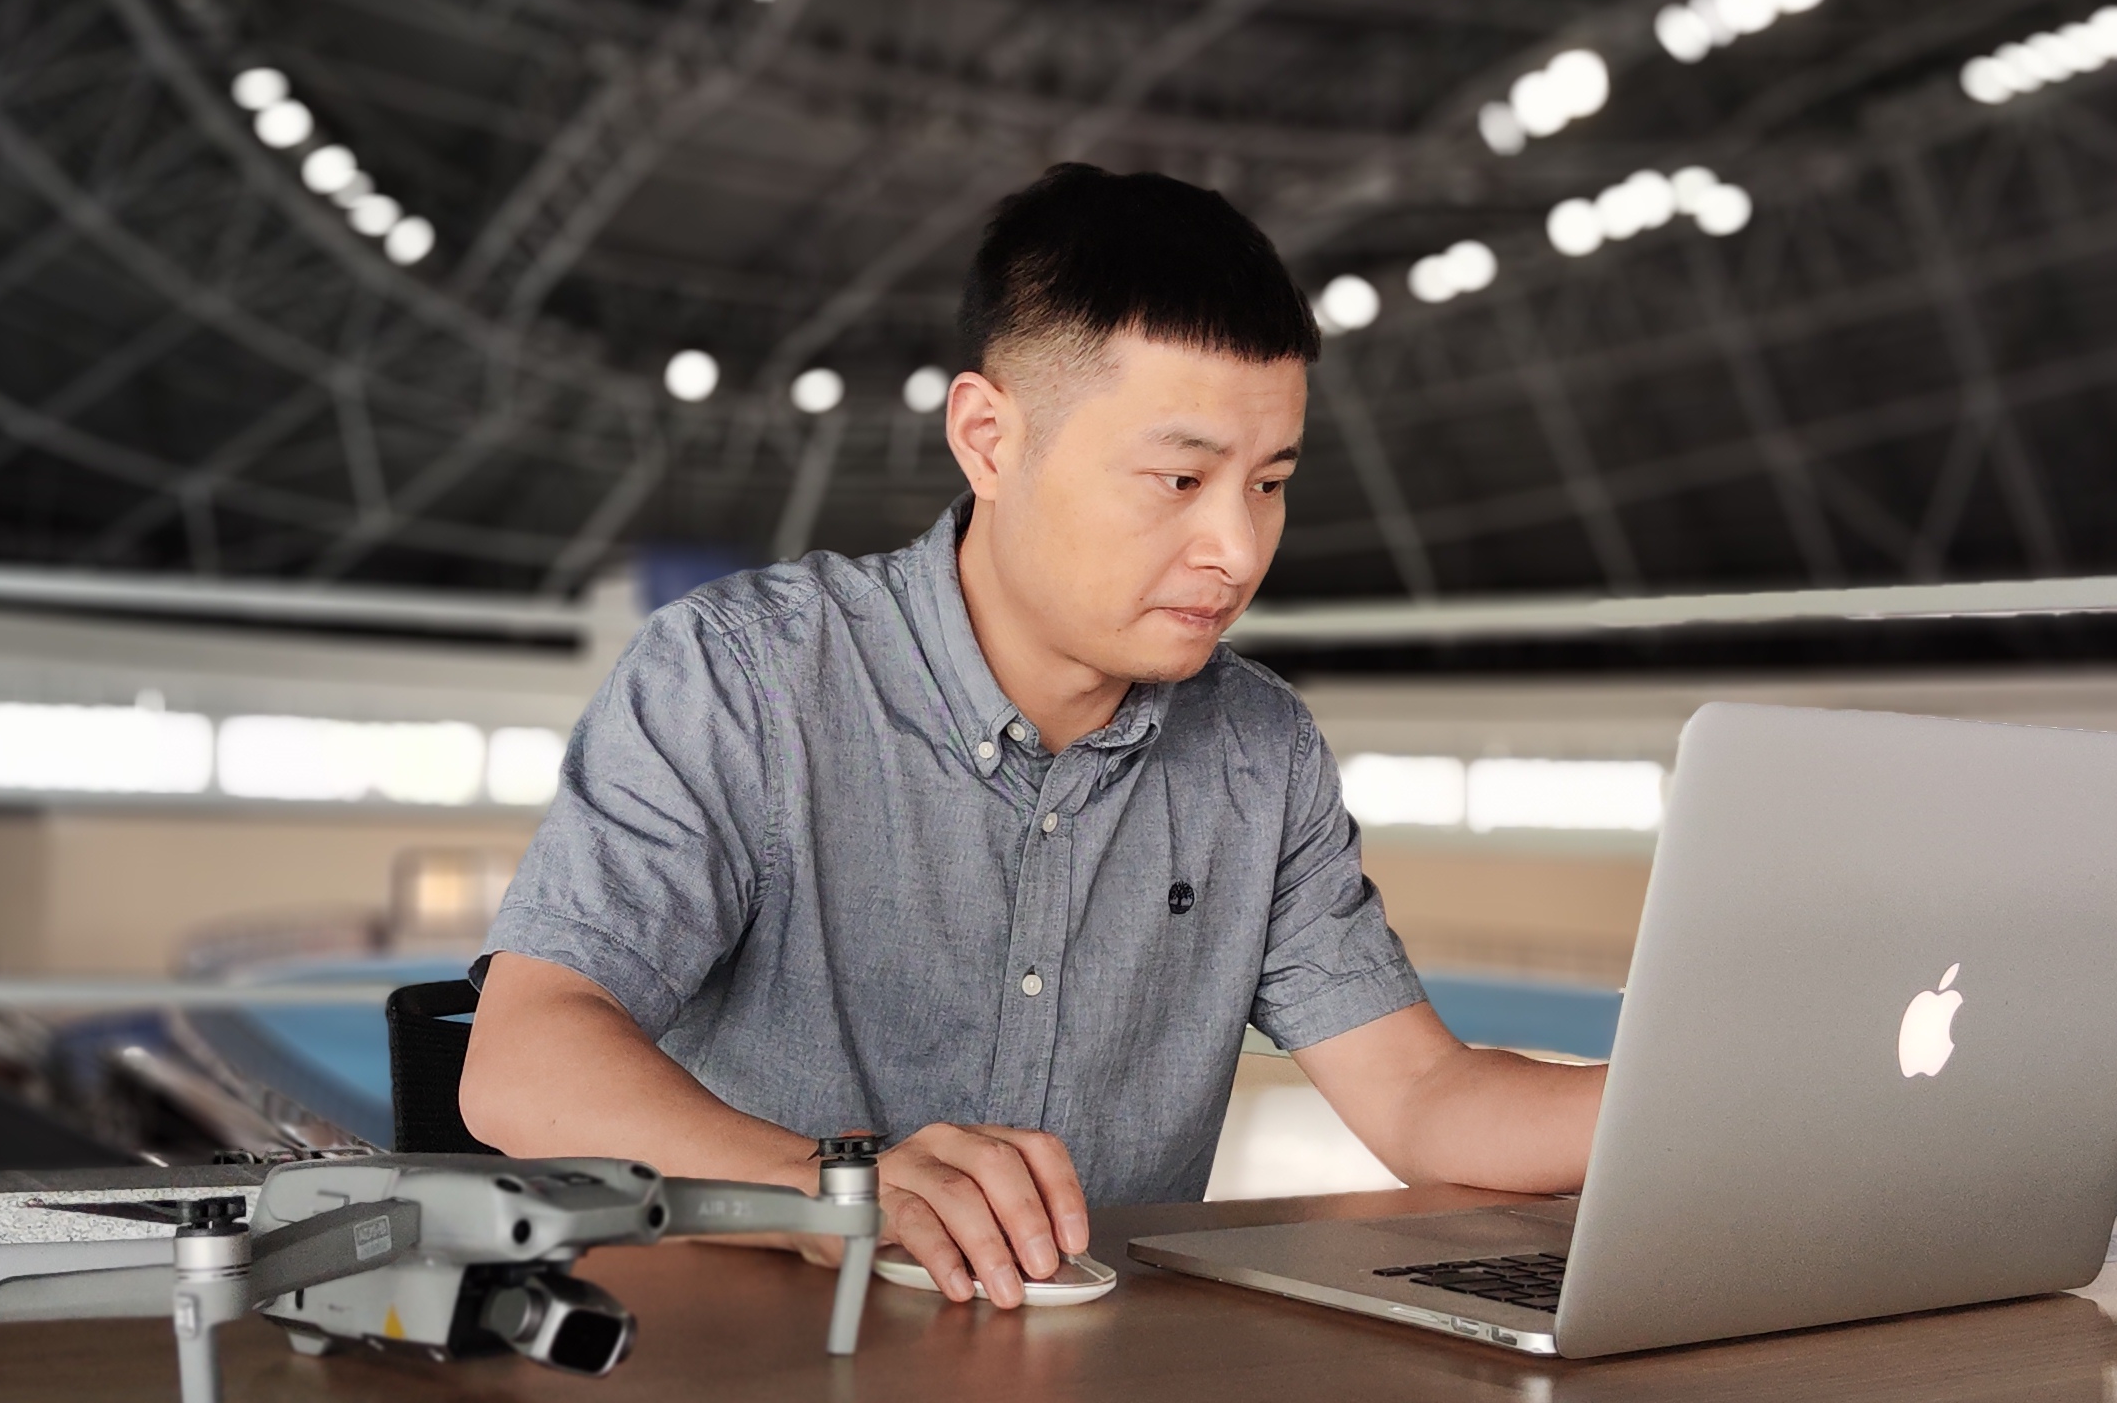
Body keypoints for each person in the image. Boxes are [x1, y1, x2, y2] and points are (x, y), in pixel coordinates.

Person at [461, 161, 1604, 1301]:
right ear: (988, 438)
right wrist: (827, 1188)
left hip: (1101, 1382)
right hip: (760, 1366)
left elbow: (1423, 1098)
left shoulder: (1260, 752)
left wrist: (1696, 1094)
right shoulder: (740, 677)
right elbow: (523, 1057)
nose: (1237, 551)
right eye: (1180, 479)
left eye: (1267, 484)